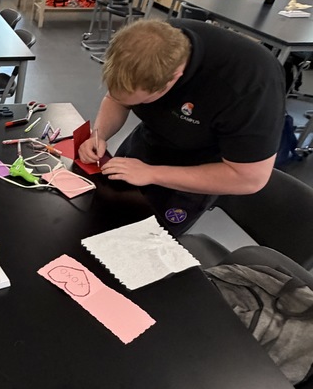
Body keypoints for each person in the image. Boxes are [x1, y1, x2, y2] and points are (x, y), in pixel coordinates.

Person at [77, 18, 285, 231]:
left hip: (200, 167)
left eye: (140, 101)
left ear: (173, 80)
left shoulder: (250, 86)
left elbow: (250, 179)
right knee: (100, 215)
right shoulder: (148, 40)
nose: (131, 104)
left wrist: (153, 173)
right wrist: (99, 134)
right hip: (149, 142)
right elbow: (115, 99)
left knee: (145, 242)